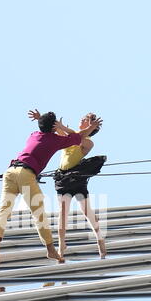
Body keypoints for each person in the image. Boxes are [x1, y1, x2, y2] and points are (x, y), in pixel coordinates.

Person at [0, 111, 100, 265]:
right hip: (26, 174)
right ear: (53, 128)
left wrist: (42, 119)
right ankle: (50, 248)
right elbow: (78, 137)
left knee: (4, 209)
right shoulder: (55, 140)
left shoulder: (33, 134)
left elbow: (48, 127)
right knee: (39, 211)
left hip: (9, 172)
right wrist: (91, 127)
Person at [28, 110, 106, 259]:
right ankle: (61, 247)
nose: (82, 119)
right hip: (63, 179)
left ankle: (100, 238)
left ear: (91, 126)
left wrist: (66, 128)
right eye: (83, 117)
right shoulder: (69, 136)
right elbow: (55, 129)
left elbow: (77, 137)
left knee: (86, 211)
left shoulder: (88, 142)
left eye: (86, 119)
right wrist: (41, 119)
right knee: (62, 213)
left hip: (76, 179)